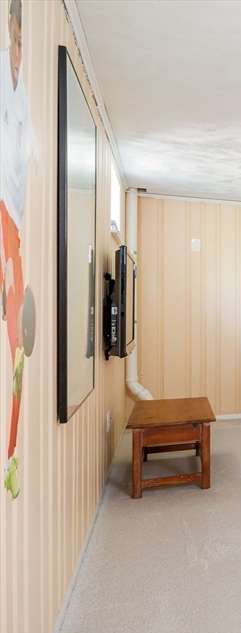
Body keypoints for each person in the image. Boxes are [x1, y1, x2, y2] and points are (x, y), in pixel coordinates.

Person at [1, 0, 37, 499]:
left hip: (14, 223)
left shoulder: (22, 94)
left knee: (18, 347)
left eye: (23, 40)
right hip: (5, 217)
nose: (18, 46)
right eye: (16, 35)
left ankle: (10, 453)